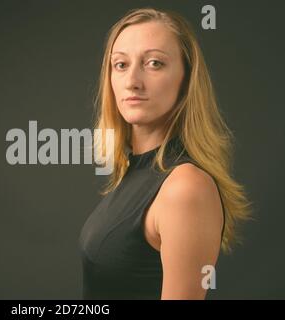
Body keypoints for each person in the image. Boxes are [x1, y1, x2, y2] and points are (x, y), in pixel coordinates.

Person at [78, 7, 252, 300]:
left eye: (154, 63)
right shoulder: (133, 172)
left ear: (186, 79)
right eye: (120, 65)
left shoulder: (185, 187)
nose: (132, 80)